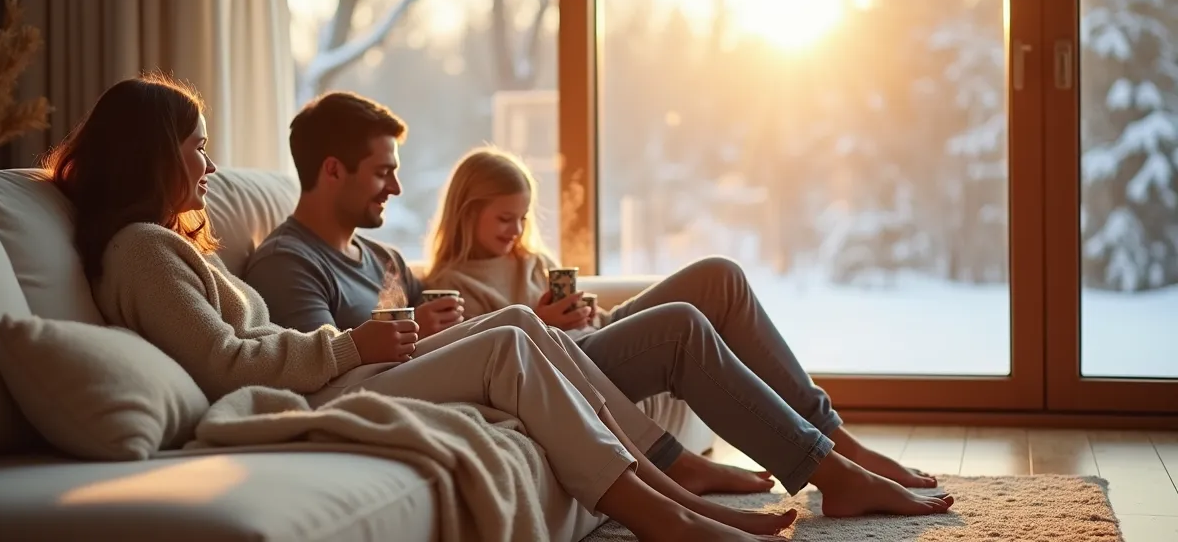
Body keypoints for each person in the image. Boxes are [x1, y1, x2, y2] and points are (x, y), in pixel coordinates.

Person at [47, 74, 795, 542]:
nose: (210, 166)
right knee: (508, 344)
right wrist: (355, 345)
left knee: (517, 323)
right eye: (197, 148)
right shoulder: (142, 249)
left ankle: (672, 489)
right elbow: (223, 363)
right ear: (153, 153)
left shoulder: (163, 246)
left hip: (323, 376)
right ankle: (668, 518)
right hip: (291, 400)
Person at [244, 91, 954, 519]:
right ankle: (832, 473)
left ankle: (838, 448)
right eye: (380, 173)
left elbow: (456, 320)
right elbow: (335, 371)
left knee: (719, 277)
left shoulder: (385, 258)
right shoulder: (288, 261)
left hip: (532, 353)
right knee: (680, 326)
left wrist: (497, 315)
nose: (394, 190)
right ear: (331, 170)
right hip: (512, 365)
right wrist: (432, 328)